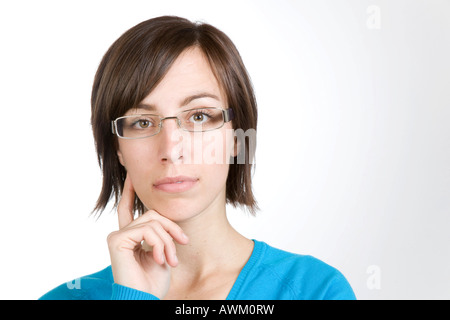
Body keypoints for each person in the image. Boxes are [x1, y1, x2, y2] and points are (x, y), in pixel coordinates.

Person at [39, 16, 356, 300]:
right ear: (118, 149)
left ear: (237, 137)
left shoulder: (315, 290)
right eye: (142, 122)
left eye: (200, 117)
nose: (171, 149)